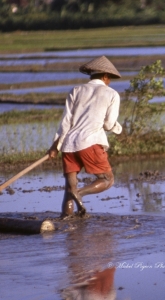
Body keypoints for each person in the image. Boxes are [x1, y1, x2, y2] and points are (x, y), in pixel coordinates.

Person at [48, 56, 122, 219]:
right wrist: (118, 128)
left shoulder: (75, 90)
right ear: (105, 77)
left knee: (69, 187)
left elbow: (66, 122)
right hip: (90, 143)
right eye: (109, 79)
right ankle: (79, 193)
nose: (109, 82)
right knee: (107, 179)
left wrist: (55, 146)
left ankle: (66, 218)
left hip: (68, 145)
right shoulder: (112, 94)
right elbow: (109, 125)